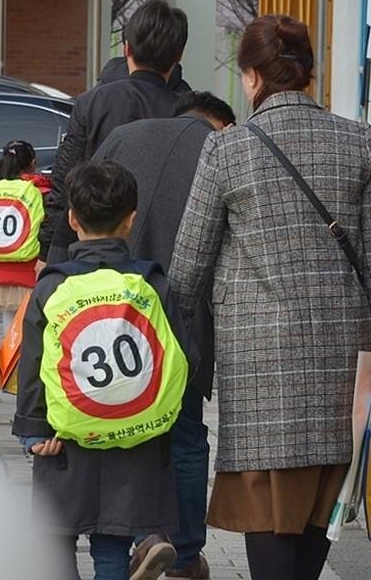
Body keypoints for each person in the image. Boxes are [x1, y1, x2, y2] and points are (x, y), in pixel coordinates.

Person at [168, 14, 371, 580]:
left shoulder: (228, 151)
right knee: (321, 512)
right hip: (344, 365)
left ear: (254, 76)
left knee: (269, 523)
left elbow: (186, 271)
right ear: (305, 73)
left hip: (262, 369)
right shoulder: (361, 142)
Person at [12, 161, 196, 580]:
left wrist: (33, 429)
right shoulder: (154, 285)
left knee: (55, 540)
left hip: (65, 439)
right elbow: (183, 356)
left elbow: (34, 364)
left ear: (72, 219)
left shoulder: (52, 286)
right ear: (131, 220)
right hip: (136, 436)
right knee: (112, 548)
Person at [92, 91, 235, 580]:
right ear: (218, 122)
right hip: (183, 315)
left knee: (127, 428)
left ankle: (146, 535)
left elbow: (81, 202)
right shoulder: (218, 149)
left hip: (109, 314)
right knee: (189, 435)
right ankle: (188, 554)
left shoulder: (121, 136)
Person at [39, 0, 189, 265]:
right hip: (166, 256)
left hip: (95, 252)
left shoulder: (92, 103)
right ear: (179, 55)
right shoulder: (190, 113)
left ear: (126, 48)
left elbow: (64, 181)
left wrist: (47, 249)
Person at [0, 140, 49, 334]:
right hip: (28, 266)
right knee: (31, 323)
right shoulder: (38, 191)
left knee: (9, 323)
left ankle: (8, 362)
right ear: (33, 162)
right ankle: (24, 362)